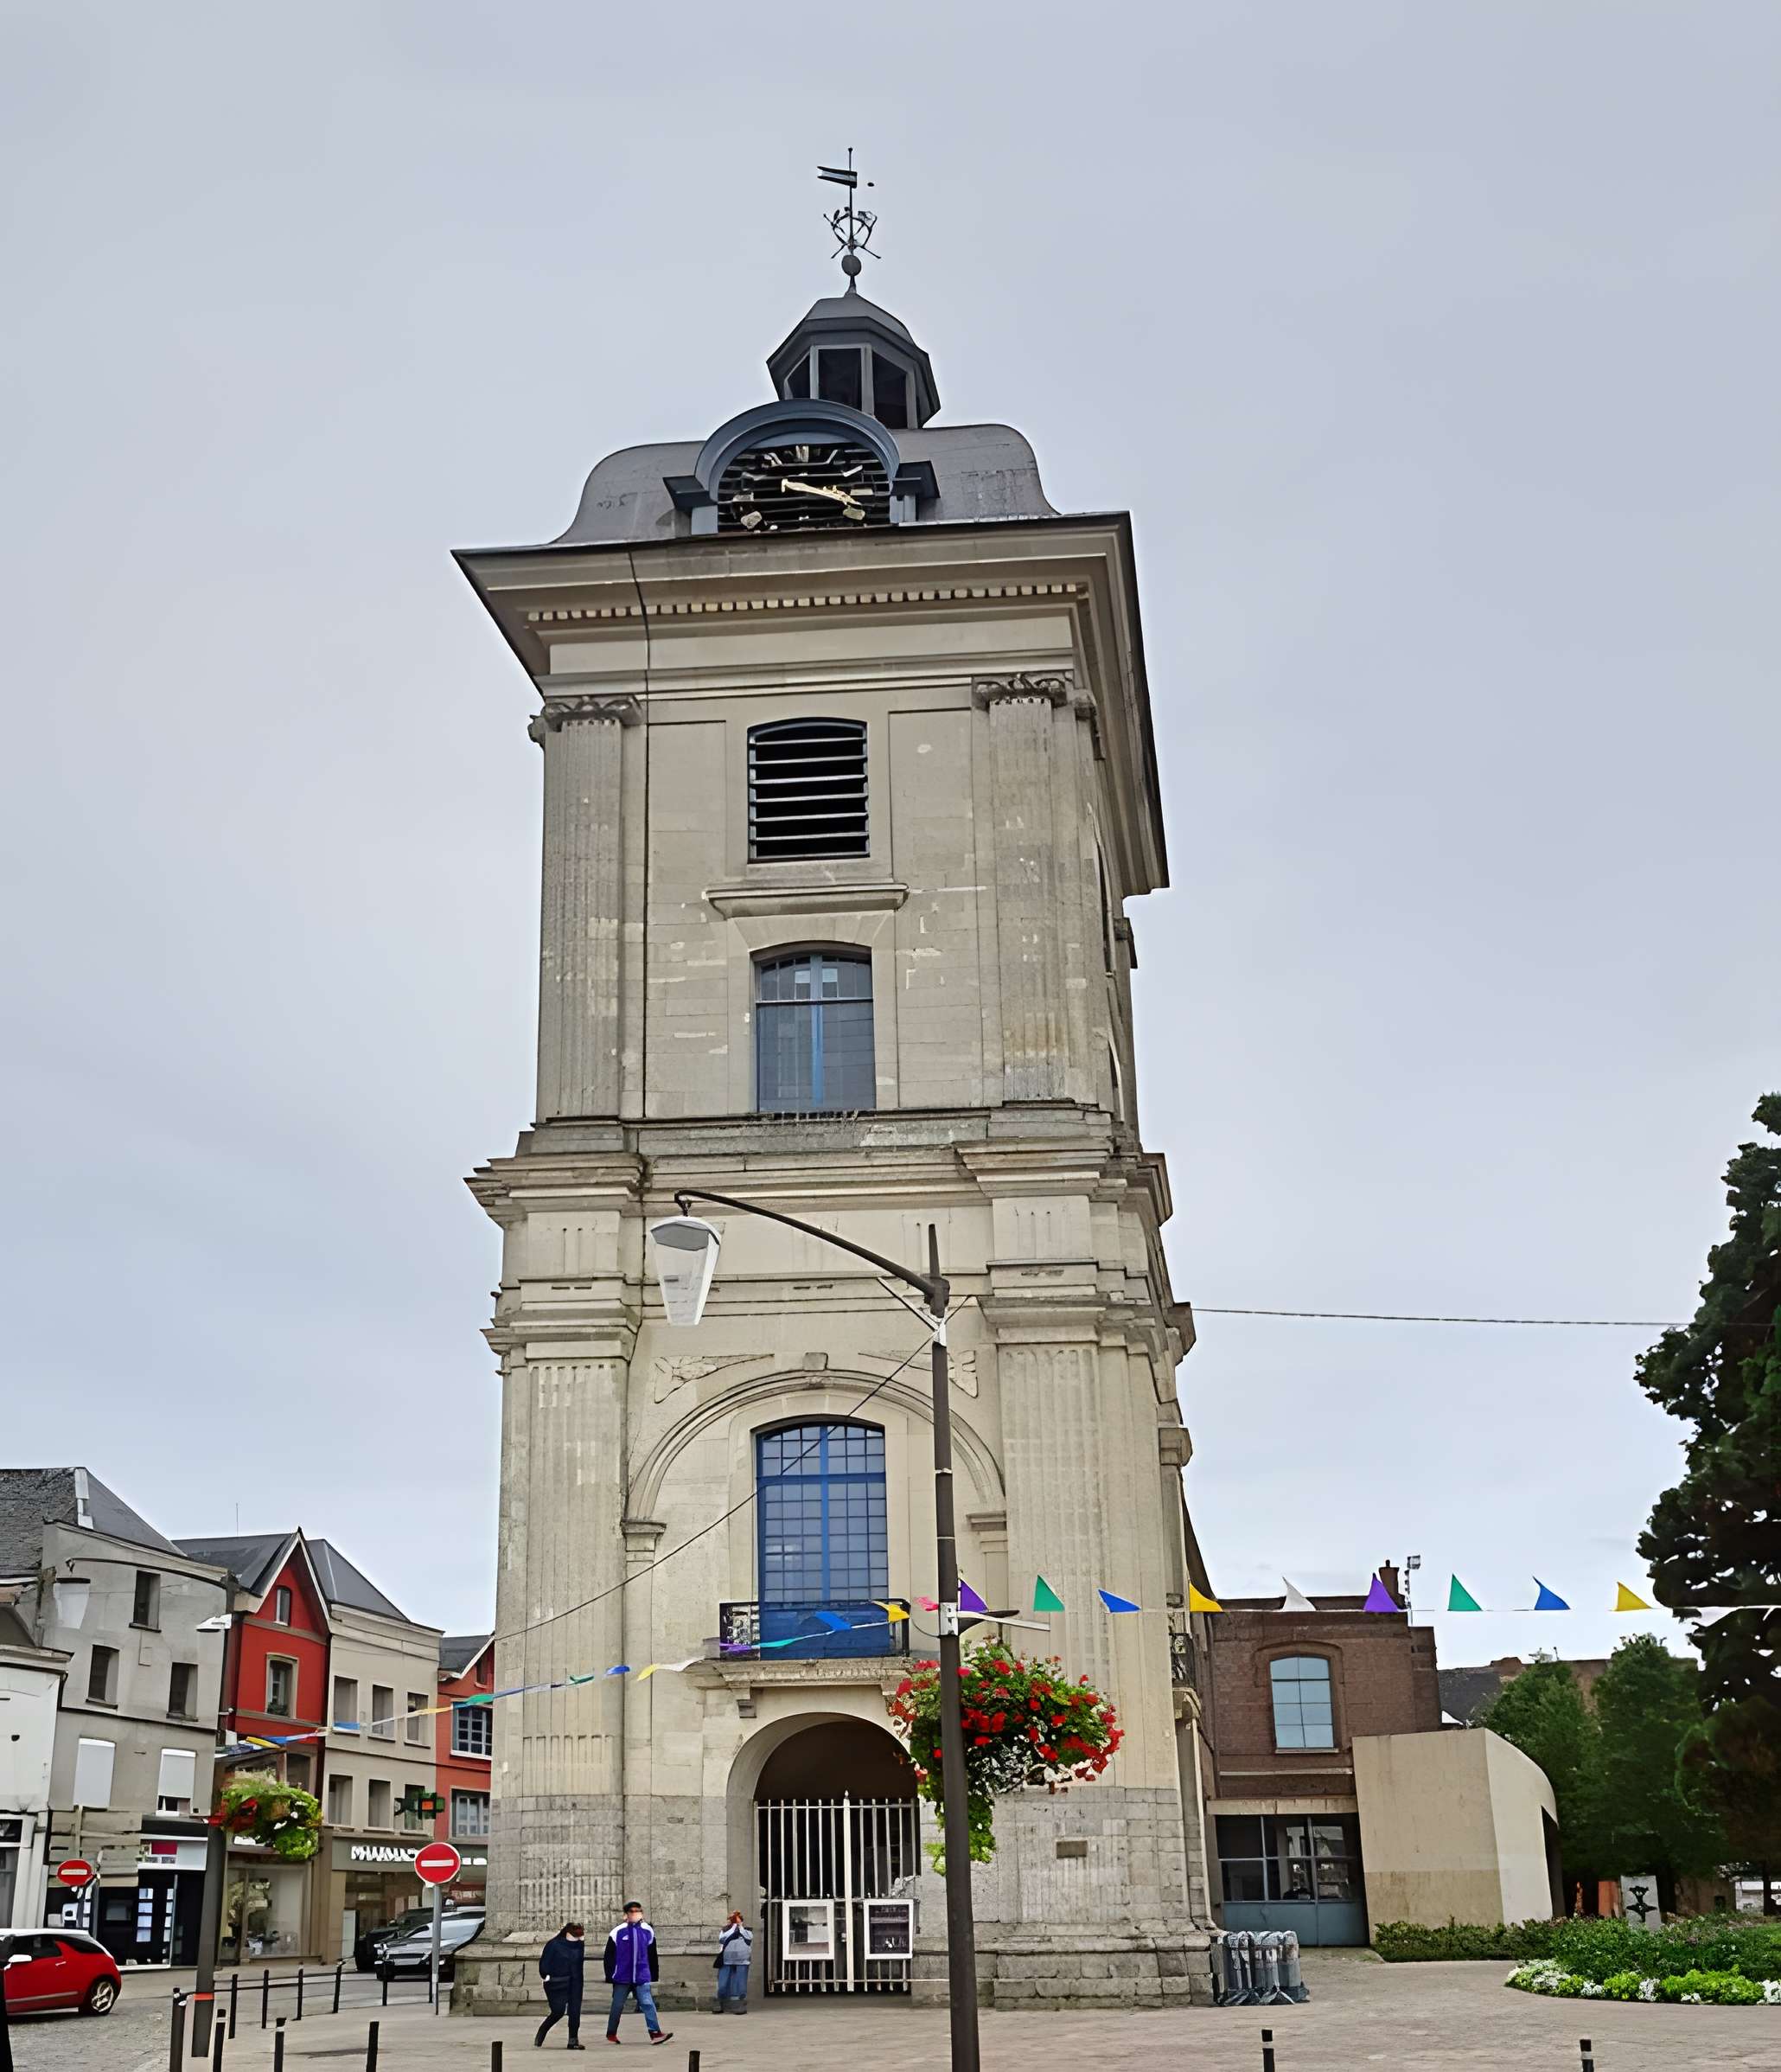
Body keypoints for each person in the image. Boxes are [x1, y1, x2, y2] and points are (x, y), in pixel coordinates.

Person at [603, 1901, 673, 2046]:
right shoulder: (617, 1932)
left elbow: (652, 1954)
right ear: (626, 1914)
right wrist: (610, 1975)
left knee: (647, 2003)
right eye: (633, 1911)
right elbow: (609, 1956)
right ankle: (611, 2032)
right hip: (622, 1976)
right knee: (617, 2005)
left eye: (638, 1910)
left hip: (641, 1975)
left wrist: (653, 1974)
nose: (636, 1913)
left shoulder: (648, 1931)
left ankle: (655, 2033)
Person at [535, 1922, 588, 2050]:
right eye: (575, 1936)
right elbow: (544, 1964)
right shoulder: (554, 1945)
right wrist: (547, 1977)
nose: (578, 1939)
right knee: (558, 2012)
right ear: (567, 1933)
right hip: (557, 1983)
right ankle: (542, 2031)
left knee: (575, 2012)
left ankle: (573, 2041)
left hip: (575, 1983)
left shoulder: (580, 1944)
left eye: (580, 1937)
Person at [713, 1910, 752, 2014]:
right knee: (722, 1984)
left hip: (742, 1961)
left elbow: (749, 1938)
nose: (732, 1920)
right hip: (726, 1960)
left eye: (734, 1918)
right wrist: (733, 1927)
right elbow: (722, 1940)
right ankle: (720, 2004)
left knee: (740, 1984)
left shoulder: (747, 1930)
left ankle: (740, 2006)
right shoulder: (725, 1931)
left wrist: (740, 1927)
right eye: (731, 1919)